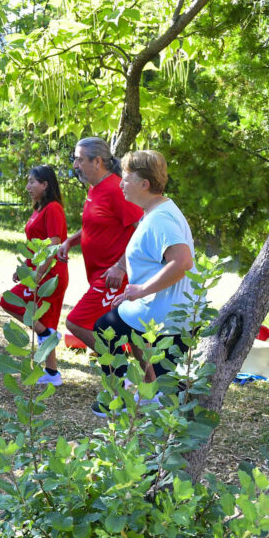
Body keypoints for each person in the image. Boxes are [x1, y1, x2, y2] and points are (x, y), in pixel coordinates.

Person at [92, 150, 197, 416]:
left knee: (173, 398)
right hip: (157, 312)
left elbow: (182, 261)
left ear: (144, 184)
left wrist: (141, 290)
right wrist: (132, 295)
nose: (120, 183)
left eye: (126, 178)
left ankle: (129, 397)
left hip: (167, 319)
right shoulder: (157, 210)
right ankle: (128, 394)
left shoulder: (160, 218)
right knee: (108, 328)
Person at [56, 137, 143, 356]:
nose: (75, 165)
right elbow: (94, 226)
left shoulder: (116, 189)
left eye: (79, 159)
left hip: (113, 277)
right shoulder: (95, 188)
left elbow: (142, 228)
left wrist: (121, 266)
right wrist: (70, 241)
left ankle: (118, 364)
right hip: (99, 274)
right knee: (131, 333)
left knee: (76, 323)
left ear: (97, 162)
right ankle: (150, 385)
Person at [0, 165, 69, 386]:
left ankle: (47, 336)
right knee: (44, 320)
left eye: (32, 182)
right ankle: (52, 374)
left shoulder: (53, 209)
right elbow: (36, 246)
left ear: (45, 184)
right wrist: (25, 269)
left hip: (50, 275)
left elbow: (53, 245)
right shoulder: (39, 209)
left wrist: (38, 274)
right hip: (39, 272)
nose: (28, 186)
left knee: (9, 301)